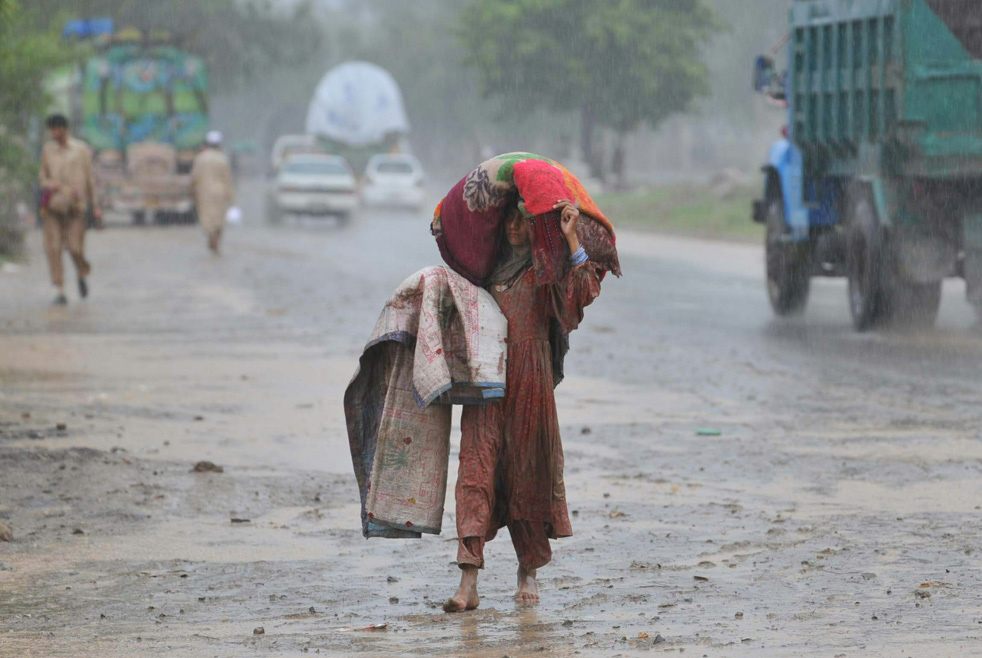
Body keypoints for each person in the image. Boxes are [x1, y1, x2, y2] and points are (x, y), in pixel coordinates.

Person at [445, 199, 601, 611]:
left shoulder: (543, 272)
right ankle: (468, 579)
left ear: (536, 226)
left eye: (525, 220)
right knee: (476, 469)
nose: (515, 227)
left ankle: (527, 570)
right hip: (487, 382)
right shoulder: (480, 272)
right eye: (510, 218)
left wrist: (570, 237)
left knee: (528, 473)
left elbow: (576, 303)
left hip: (530, 381)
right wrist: (446, 225)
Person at [38, 113, 101, 305]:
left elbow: (90, 179)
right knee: (53, 248)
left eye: (55, 129)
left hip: (76, 208)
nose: (52, 133)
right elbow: (42, 179)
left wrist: (95, 205)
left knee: (75, 248)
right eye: (51, 129)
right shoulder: (47, 151)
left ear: (64, 129)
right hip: (53, 207)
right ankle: (60, 289)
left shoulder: (80, 150)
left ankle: (81, 273)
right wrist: (51, 184)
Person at [190, 130, 235, 254]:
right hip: (220, 192)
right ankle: (216, 239)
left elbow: (194, 177)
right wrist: (231, 198)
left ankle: (211, 237)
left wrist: (192, 191)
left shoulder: (200, 158)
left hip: (204, 193)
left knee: (207, 219)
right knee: (219, 219)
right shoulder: (223, 159)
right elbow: (228, 179)